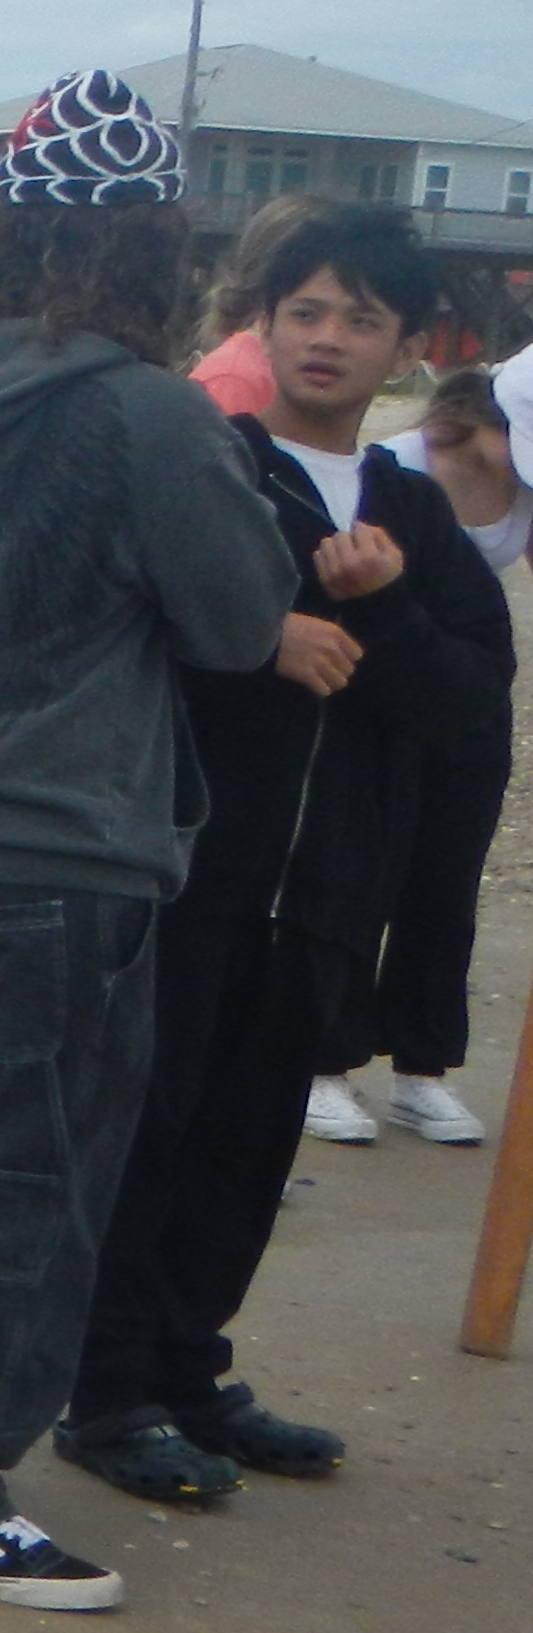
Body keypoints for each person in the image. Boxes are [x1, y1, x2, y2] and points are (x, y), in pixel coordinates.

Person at [0, 69, 297, 1612]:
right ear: (153, 246)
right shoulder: (140, 410)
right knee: (18, 1180)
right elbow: (236, 626)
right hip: (56, 851)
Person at [58, 202, 511, 1500]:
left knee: (252, 1144)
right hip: (185, 871)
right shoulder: (212, 465)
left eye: (361, 319)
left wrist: (384, 610)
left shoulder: (414, 514)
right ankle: (104, 1392)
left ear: (410, 348)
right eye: (304, 311)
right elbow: (131, 628)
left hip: (326, 889)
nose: (328, 338)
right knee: (146, 1129)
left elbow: (470, 706)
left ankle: (189, 1375)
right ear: (260, 326)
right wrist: (278, 628)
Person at [306, 355, 532, 1145]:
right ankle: (323, 1063)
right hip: (376, 682)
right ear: (477, 420)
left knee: (446, 884)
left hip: (466, 692)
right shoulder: (395, 470)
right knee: (359, 871)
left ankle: (422, 1068)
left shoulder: (525, 490)